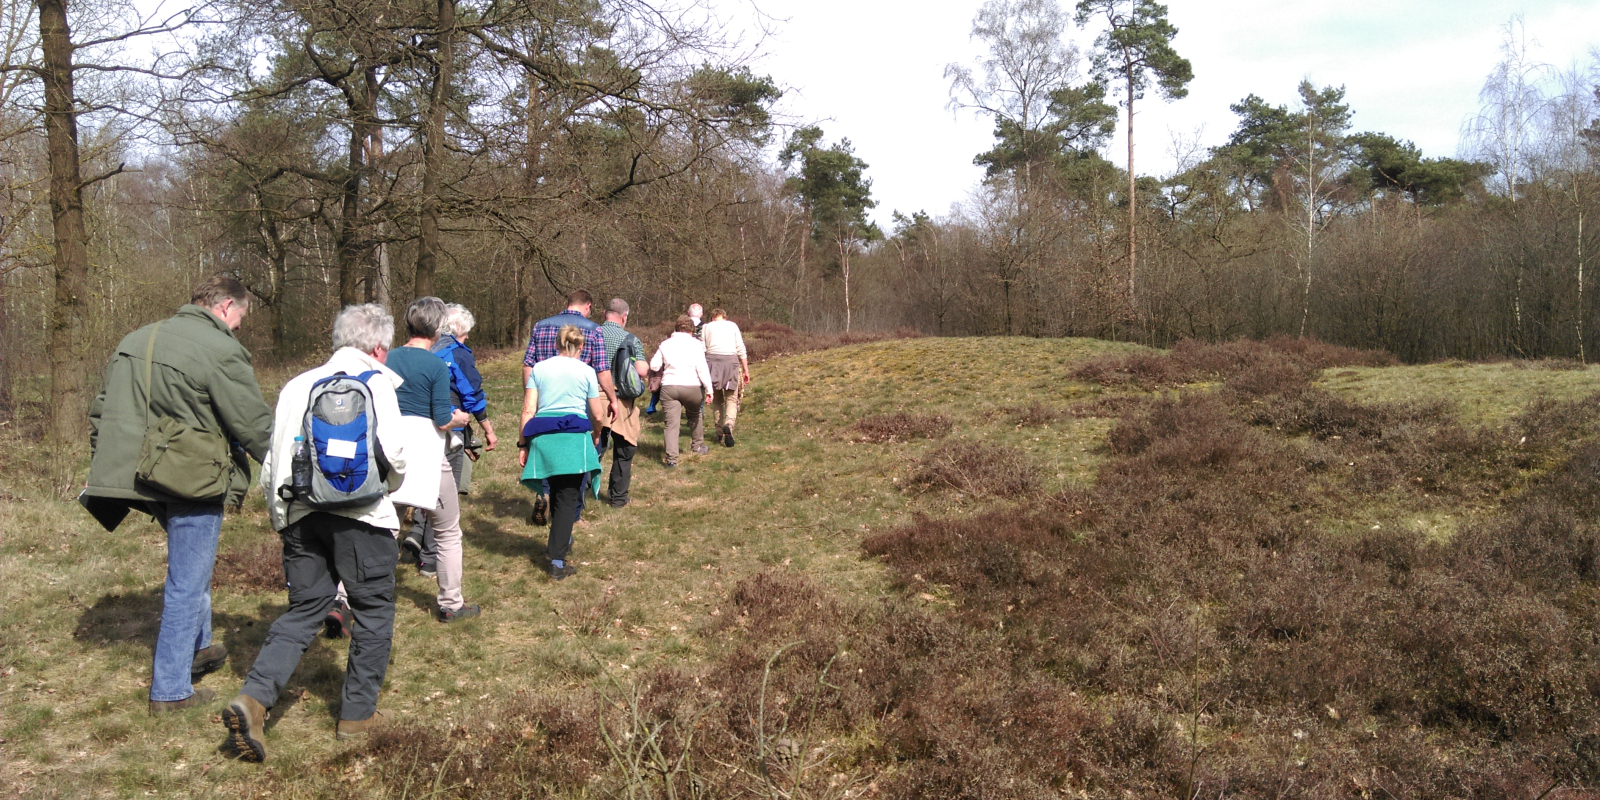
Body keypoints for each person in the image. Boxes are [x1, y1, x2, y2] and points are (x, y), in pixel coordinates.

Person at [221, 303, 410, 761]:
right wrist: (386, 492)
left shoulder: (295, 385)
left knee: (305, 609)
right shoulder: (376, 383)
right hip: (361, 517)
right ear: (379, 347)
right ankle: (357, 716)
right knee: (372, 609)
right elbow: (397, 455)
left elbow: (272, 462)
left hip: (299, 514)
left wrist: (282, 517)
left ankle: (255, 699)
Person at [82, 275, 272, 714]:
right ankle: (170, 691)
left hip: (142, 475)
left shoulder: (136, 339)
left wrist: (106, 462)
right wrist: (291, 470)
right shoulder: (221, 349)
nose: (238, 327)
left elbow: (101, 410)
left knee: (193, 565)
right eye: (240, 318)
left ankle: (201, 645)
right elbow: (253, 425)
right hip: (192, 479)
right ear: (225, 306)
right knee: (187, 582)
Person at [383, 297, 478, 624]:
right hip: (425, 455)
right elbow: (441, 418)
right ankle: (451, 603)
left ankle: (348, 597)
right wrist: (460, 419)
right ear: (438, 329)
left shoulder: (387, 358)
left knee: (380, 527)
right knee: (448, 530)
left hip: (389, 455)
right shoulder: (437, 365)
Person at [402, 304, 497, 576]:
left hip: (413, 430)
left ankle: (416, 534)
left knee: (422, 484)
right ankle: (430, 560)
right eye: (467, 335)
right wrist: (488, 429)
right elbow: (472, 395)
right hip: (448, 427)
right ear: (458, 331)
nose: (467, 340)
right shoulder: (456, 354)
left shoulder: (414, 351)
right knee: (445, 494)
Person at [521, 289, 618, 525]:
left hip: (544, 399)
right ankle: (571, 513)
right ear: (588, 306)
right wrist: (612, 398)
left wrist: (531, 394)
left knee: (547, 450)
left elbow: (528, 364)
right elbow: (602, 370)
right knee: (576, 458)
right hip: (577, 402)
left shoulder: (540, 326)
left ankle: (544, 492)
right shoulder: (593, 329)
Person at [519, 325, 605, 580]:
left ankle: (562, 536)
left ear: (556, 344)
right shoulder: (587, 371)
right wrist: (597, 433)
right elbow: (597, 414)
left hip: (544, 437)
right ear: (580, 347)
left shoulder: (539, 369)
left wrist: (523, 444)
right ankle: (557, 560)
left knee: (556, 490)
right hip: (572, 438)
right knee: (568, 497)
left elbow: (527, 409)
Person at [598, 298, 648, 507]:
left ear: (604, 314)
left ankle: (579, 500)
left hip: (593, 397)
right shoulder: (630, 339)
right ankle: (618, 498)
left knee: (594, 449)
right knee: (624, 449)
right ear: (624, 316)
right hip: (621, 398)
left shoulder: (591, 335)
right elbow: (643, 370)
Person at [649, 315, 713, 467]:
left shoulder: (665, 344)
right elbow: (702, 369)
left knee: (671, 425)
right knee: (695, 415)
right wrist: (709, 390)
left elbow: (654, 365)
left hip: (670, 387)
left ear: (676, 329)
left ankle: (671, 459)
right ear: (691, 330)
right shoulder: (697, 344)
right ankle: (697, 446)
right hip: (692, 387)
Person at [700, 308, 750, 448]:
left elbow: (702, 348)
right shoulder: (732, 326)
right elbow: (740, 348)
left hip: (712, 362)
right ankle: (729, 425)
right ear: (724, 316)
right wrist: (746, 369)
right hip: (730, 362)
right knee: (732, 398)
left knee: (717, 399)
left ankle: (718, 432)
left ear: (712, 317)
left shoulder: (706, 327)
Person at [647, 302, 704, 414]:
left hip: (671, 379)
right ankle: (698, 413)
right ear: (701, 314)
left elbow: (654, 364)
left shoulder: (678, 329)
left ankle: (653, 405)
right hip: (694, 372)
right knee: (697, 398)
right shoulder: (705, 328)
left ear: (688, 313)